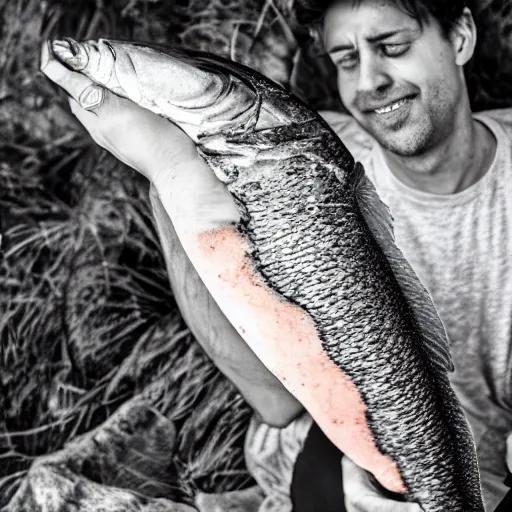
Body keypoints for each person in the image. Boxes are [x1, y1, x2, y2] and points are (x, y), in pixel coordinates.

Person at [40, 0, 512, 509]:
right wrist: (171, 180)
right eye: (345, 59)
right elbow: (273, 399)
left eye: (392, 47)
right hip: (320, 461)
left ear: (461, 36)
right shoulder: (304, 150)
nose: (370, 81)